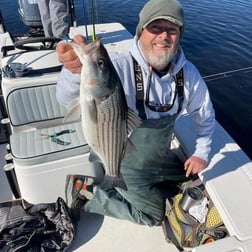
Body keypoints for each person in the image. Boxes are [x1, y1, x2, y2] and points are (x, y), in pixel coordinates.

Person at [56, 0, 215, 226]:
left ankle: (137, 189)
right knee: (152, 216)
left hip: (161, 156)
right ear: (141, 32)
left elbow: (205, 115)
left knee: (192, 181)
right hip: (125, 161)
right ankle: (87, 191)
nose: (163, 36)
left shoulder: (188, 73)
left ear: (180, 35)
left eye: (172, 29)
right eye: (155, 28)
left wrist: (202, 152)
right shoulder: (118, 66)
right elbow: (65, 98)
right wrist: (74, 72)